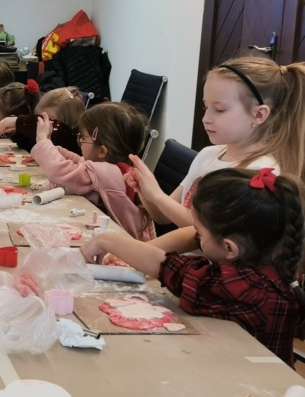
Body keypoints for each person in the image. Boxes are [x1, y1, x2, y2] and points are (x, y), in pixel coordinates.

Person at [81, 168, 305, 366]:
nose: (196, 236)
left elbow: (168, 268)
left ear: (229, 248)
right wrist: (132, 253)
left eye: (200, 231)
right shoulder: (268, 255)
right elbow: (189, 238)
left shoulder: (246, 287)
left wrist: (106, 240)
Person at [129, 57, 305, 230]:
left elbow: (208, 232)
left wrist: (157, 196)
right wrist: (145, 190)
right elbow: (163, 217)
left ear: (258, 115)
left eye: (219, 110)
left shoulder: (258, 173)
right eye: (206, 107)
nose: (206, 118)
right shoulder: (208, 154)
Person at [30, 102, 153, 241]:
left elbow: (60, 171)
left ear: (102, 151)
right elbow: (81, 162)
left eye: (82, 138)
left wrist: (42, 140)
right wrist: (54, 149)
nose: (80, 142)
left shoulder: (107, 173)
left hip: (123, 245)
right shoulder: (114, 167)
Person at [0, 86, 85, 153]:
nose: (40, 122)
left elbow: (57, 133)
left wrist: (19, 122)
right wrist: (17, 132)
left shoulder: (68, 139)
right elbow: (29, 145)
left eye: (47, 119)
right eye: (38, 117)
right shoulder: (41, 134)